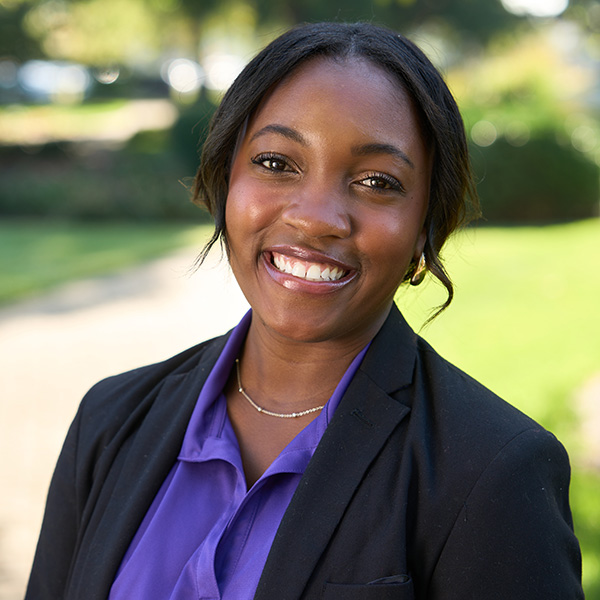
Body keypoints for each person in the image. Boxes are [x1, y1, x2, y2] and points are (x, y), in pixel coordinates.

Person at [26, 22, 583, 600]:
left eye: (376, 181)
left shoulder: (494, 473)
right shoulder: (111, 421)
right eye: (276, 163)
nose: (316, 217)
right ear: (225, 179)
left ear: (425, 229)